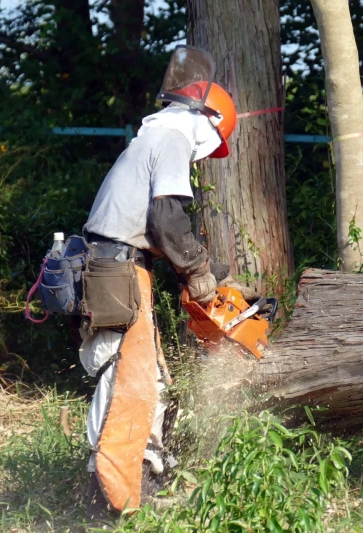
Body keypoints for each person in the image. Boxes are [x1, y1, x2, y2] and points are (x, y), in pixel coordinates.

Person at [78, 45, 253, 521]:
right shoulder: (175, 136)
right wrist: (197, 272)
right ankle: (113, 496)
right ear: (208, 120)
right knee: (127, 375)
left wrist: (209, 272)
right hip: (118, 269)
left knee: (148, 374)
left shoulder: (152, 137)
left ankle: (143, 473)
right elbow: (167, 219)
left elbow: (161, 232)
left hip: (121, 265)